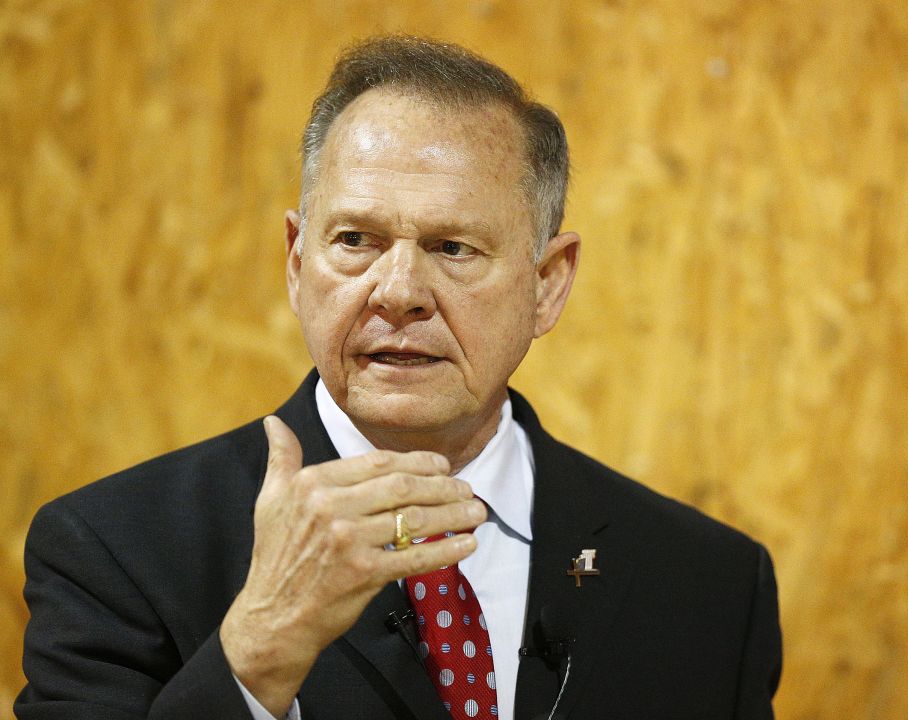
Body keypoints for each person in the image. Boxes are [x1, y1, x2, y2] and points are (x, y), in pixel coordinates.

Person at [16, 36, 781, 720]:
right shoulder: (116, 551)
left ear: (547, 284)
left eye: (452, 248)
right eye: (355, 239)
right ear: (295, 261)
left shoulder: (706, 585)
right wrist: (259, 650)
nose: (398, 291)